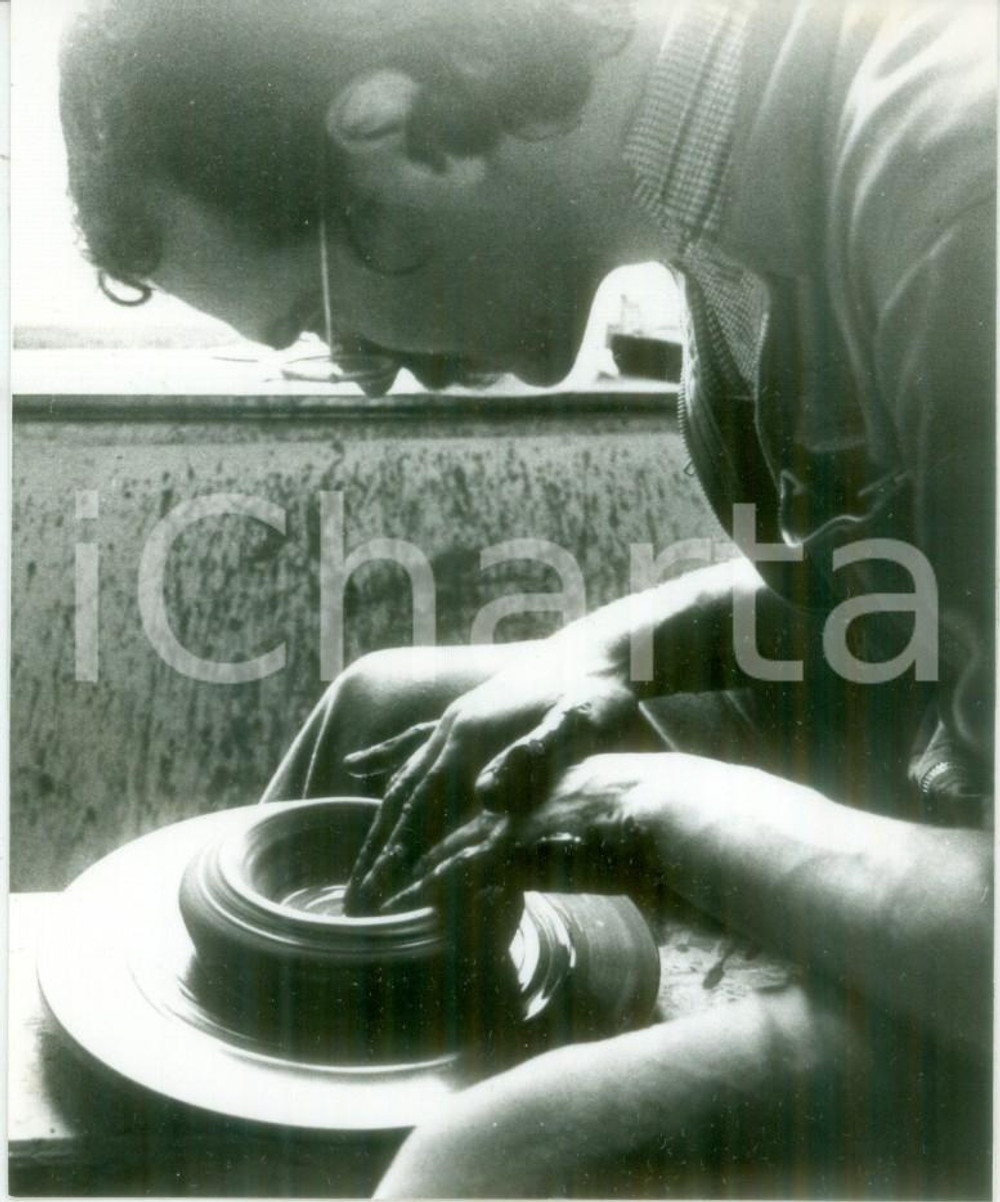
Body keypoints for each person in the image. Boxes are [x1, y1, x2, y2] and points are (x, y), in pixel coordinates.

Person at [60, 0, 994, 1195]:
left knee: (476, 1158)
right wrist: (600, 649)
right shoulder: (712, 213)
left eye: (323, 322)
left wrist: (650, 806)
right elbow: (902, 588)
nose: (370, 383)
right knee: (384, 709)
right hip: (933, 757)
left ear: (393, 129)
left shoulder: (954, 171)